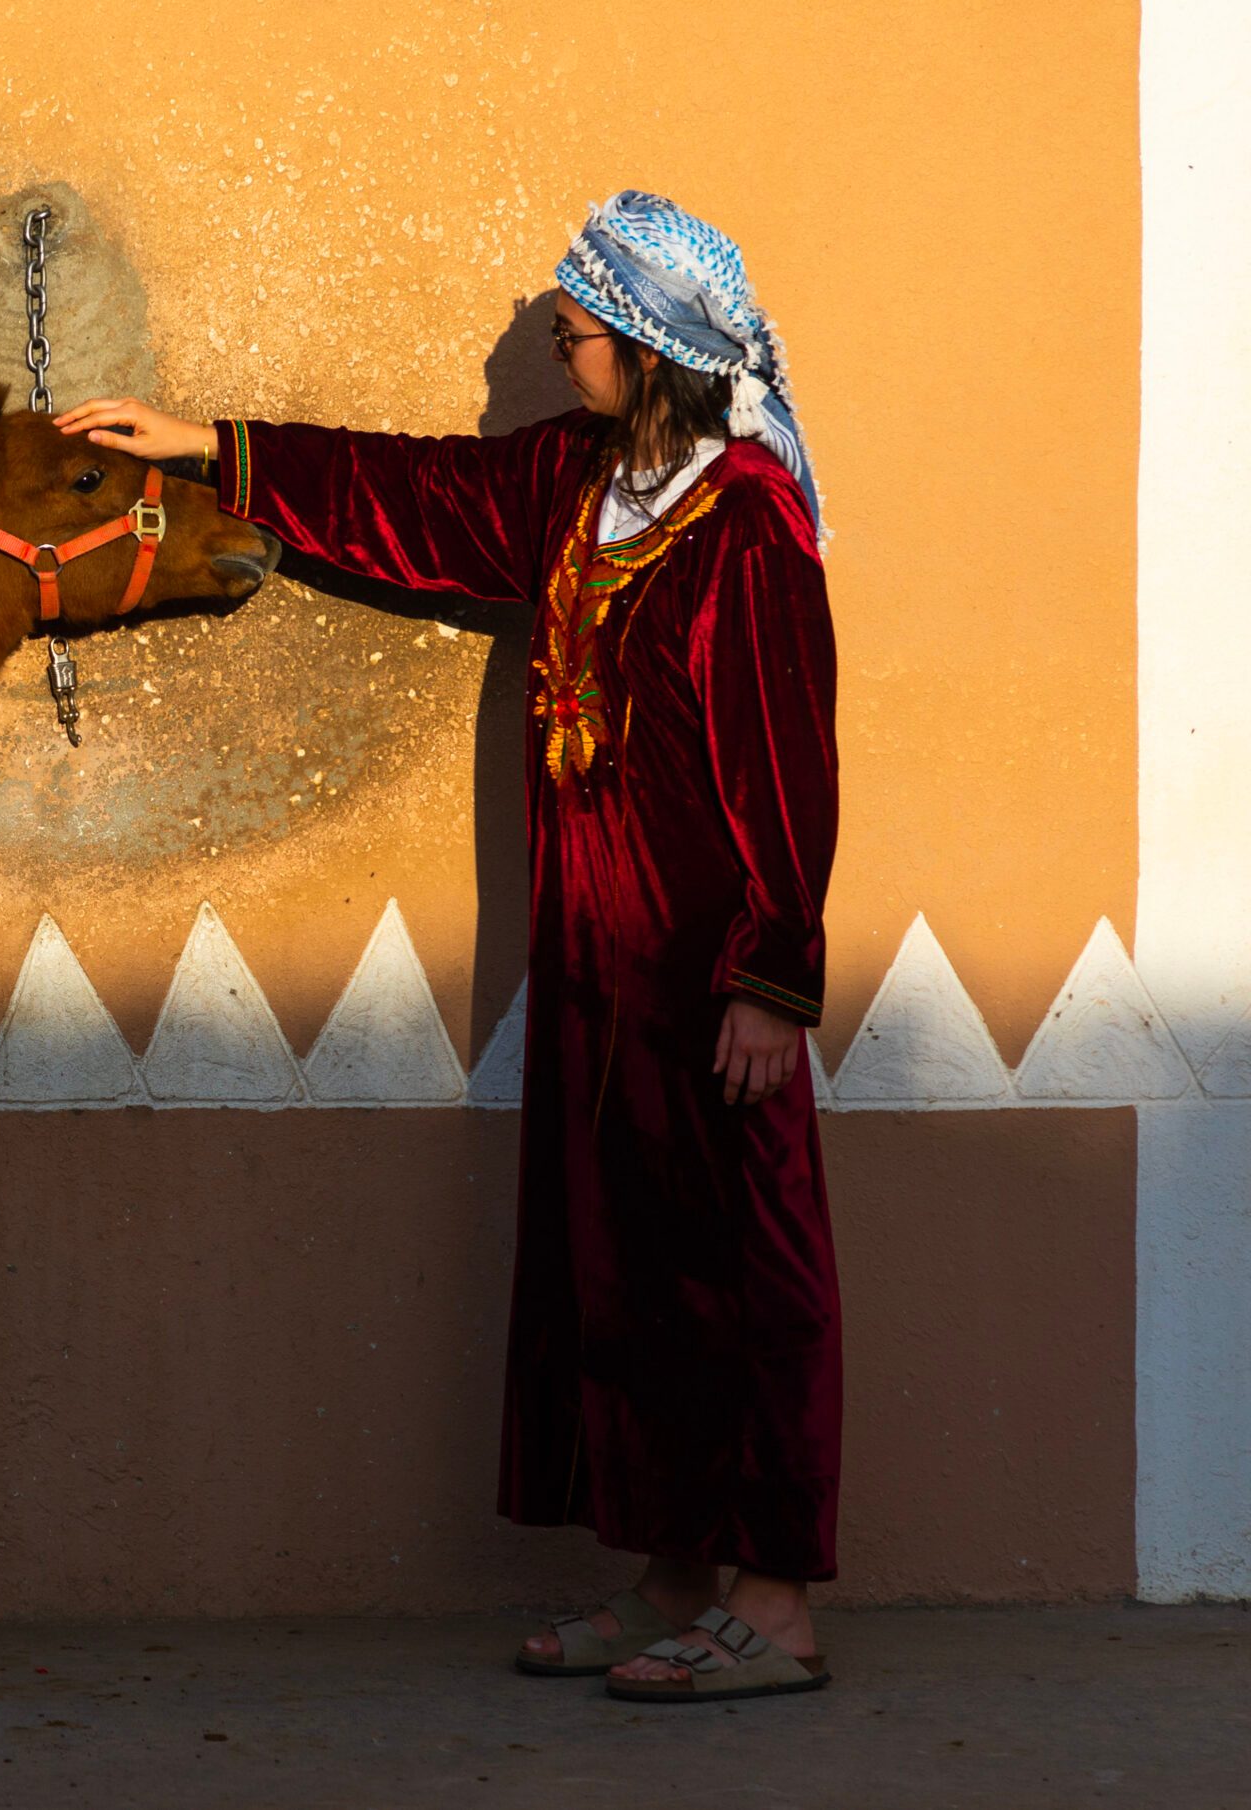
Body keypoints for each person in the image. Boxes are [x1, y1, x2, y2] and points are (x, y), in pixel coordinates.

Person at [57, 192, 840, 1704]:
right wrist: (207, 448)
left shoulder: (745, 523)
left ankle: (775, 1601)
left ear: (658, 338)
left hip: (708, 969)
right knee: (620, 1266)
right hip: (595, 956)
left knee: (749, 1272)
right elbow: (407, 495)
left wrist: (770, 975)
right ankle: (672, 1572)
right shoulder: (577, 478)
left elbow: (785, 758)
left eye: (585, 314)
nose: (563, 329)